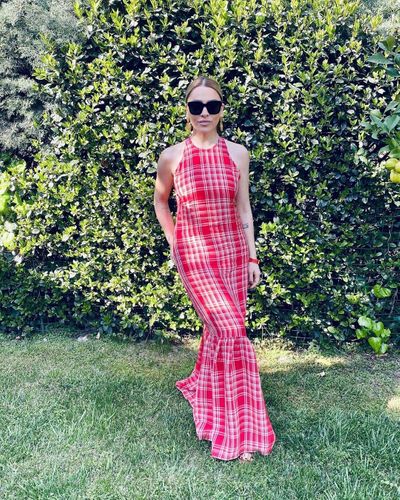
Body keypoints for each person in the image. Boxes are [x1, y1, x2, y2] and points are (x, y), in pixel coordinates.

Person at [153, 75, 276, 462]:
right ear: (187, 112)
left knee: (220, 333)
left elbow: (244, 209)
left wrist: (252, 257)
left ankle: (208, 392)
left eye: (212, 106)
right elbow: (160, 201)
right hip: (194, 256)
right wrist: (174, 241)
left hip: (233, 254)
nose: (204, 113)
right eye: (196, 106)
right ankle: (239, 428)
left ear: (222, 110)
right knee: (231, 331)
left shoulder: (238, 154)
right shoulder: (172, 156)